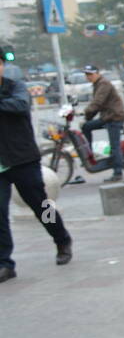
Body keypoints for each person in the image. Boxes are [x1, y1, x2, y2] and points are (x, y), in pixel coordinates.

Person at [0, 55, 72, 283]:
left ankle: (61, 239)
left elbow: (21, 105)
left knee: (41, 205)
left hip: (23, 159)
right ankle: (5, 263)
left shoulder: (16, 87)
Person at [80, 64, 124, 181]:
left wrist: (86, 112)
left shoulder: (103, 84)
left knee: (114, 146)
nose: (88, 77)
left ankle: (118, 172)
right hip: (106, 116)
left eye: (90, 74)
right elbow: (96, 105)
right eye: (86, 75)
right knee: (86, 126)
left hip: (114, 117)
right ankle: (89, 155)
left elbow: (97, 103)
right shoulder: (97, 84)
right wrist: (87, 117)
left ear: (97, 73)